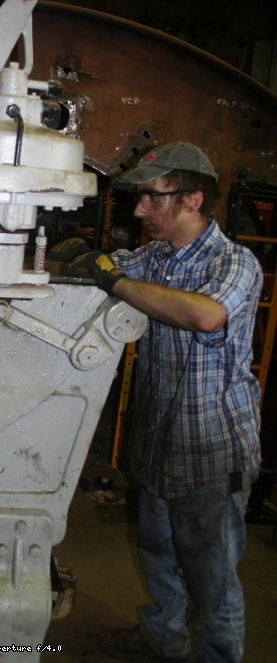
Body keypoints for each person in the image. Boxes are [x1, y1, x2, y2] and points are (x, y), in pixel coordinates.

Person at [82, 142, 262, 663]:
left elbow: (205, 316)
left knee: (211, 578)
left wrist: (116, 280)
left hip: (211, 451)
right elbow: (112, 265)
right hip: (159, 442)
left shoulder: (234, 261)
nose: (139, 211)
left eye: (150, 199)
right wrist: (83, 258)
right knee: (159, 555)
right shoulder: (156, 256)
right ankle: (164, 641)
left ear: (192, 199)